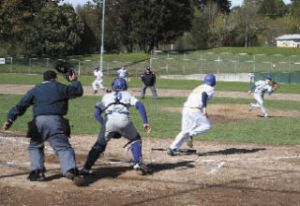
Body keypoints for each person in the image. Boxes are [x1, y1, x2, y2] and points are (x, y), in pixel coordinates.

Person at [2, 70, 85, 186]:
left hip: (38, 122)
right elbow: (78, 91)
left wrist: (10, 119)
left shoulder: (36, 89)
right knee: (63, 148)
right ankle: (70, 170)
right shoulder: (60, 87)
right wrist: (74, 81)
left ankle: (37, 173)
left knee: (35, 146)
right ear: (55, 78)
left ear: (44, 79)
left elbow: (22, 104)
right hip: (56, 121)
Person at [80, 78, 152, 175]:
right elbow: (140, 105)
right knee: (136, 139)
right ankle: (138, 163)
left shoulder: (106, 96)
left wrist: (104, 126)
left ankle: (86, 168)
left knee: (99, 145)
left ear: (113, 86)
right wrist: (145, 122)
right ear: (125, 86)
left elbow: (96, 114)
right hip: (124, 120)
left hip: (109, 121)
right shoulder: (128, 94)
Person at [167, 74, 216, 156]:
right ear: (213, 82)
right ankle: (190, 134)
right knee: (206, 125)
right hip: (194, 110)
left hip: (186, 108)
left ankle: (172, 148)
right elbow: (204, 94)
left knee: (184, 131)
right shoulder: (210, 88)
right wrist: (204, 108)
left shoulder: (200, 86)